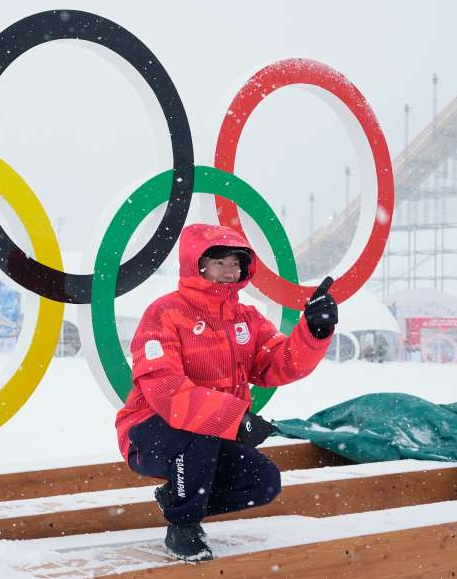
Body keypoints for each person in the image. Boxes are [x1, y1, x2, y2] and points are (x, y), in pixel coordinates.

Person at [114, 223, 337, 562]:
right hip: (148, 433)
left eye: (236, 263)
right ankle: (183, 527)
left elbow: (278, 362)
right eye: (220, 262)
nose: (230, 271)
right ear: (196, 264)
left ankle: (177, 494)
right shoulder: (164, 314)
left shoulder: (245, 318)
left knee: (263, 482)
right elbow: (166, 392)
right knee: (200, 428)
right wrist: (235, 420)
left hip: (211, 437)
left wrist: (314, 330)